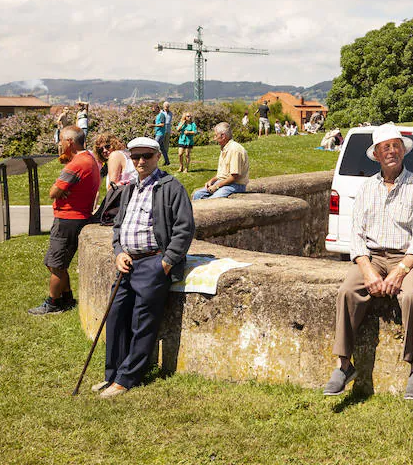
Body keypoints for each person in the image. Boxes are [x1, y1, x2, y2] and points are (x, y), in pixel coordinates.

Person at [324, 123, 413, 400]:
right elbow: (356, 236)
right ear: (377, 154)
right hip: (372, 257)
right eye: (386, 147)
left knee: (410, 294)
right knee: (348, 290)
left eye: (396, 146)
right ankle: (343, 364)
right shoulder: (366, 188)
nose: (392, 151)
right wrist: (368, 270)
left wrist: (399, 272)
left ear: (403, 151)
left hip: (410, 258)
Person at [94, 137, 195, 398]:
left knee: (143, 321)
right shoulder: (129, 188)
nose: (141, 161)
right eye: (136, 156)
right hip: (128, 262)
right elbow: (118, 226)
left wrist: (167, 261)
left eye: (147, 156)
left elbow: (185, 227)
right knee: (116, 317)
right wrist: (118, 252)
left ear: (157, 157)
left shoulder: (171, 187)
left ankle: (128, 378)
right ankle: (113, 374)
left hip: (153, 262)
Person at [28, 126, 100, 315]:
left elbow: (53, 192)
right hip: (76, 217)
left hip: (69, 218)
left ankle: (53, 303)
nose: (59, 144)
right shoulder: (89, 158)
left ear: (70, 142)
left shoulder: (76, 164)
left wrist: (60, 189)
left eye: (60, 140)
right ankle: (67, 298)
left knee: (56, 264)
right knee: (55, 262)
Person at [192, 122, 249, 199]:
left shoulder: (234, 149)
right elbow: (222, 174)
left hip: (235, 185)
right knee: (197, 195)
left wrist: (216, 186)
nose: (214, 138)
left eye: (216, 135)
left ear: (223, 136)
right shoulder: (225, 148)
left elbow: (234, 176)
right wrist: (212, 180)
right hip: (224, 183)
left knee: (212, 200)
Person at [153, 102, 173, 166]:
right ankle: (167, 161)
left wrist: (153, 125)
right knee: (163, 149)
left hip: (160, 134)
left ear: (158, 109)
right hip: (158, 133)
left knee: (154, 147)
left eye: (154, 110)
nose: (153, 112)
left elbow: (162, 124)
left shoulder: (161, 115)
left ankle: (153, 162)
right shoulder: (158, 115)